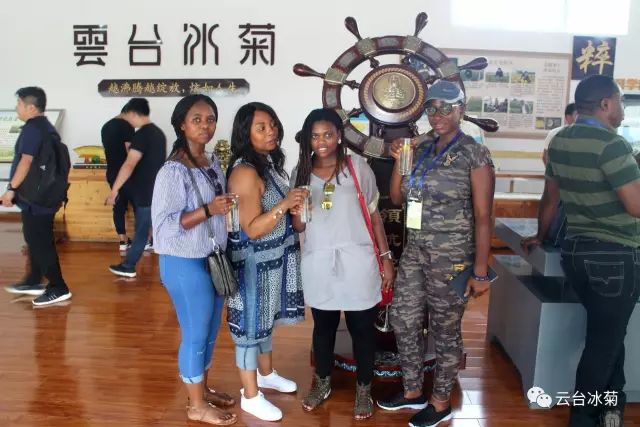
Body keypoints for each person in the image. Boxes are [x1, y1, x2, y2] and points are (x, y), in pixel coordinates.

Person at [376, 80, 495, 427]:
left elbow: (484, 216)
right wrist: (400, 161)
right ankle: (412, 390)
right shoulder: (422, 146)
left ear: (461, 109)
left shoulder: (474, 153)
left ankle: (440, 401)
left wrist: (481, 271)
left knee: (445, 329)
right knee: (403, 319)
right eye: (432, 108)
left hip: (452, 256)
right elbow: (397, 197)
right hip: (416, 251)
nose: (438, 114)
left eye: (446, 107)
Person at [523, 75, 635, 427]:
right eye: (620, 102)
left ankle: (612, 405)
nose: (622, 109)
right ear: (606, 103)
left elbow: (550, 197)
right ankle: (583, 419)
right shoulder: (612, 145)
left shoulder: (561, 140)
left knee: (608, 334)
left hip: (576, 254)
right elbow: (635, 206)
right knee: (603, 344)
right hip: (615, 256)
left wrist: (540, 235)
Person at [291, 108, 395, 419]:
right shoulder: (301, 171)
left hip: (358, 260)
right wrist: (297, 208)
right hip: (319, 260)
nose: (321, 141)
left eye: (328, 134)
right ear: (307, 139)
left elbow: (374, 216)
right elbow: (298, 226)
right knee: (323, 327)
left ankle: (364, 388)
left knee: (361, 328)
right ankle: (322, 383)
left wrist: (386, 259)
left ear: (339, 136)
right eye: (314, 136)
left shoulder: (357, 167)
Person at [152, 94, 237, 425]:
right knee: (195, 333)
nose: (205, 125)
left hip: (211, 258)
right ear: (181, 125)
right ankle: (196, 406)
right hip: (183, 262)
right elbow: (163, 227)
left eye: (210, 119)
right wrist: (208, 210)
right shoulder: (172, 171)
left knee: (211, 330)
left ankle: (201, 389)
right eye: (197, 119)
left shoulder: (211, 161)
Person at [226, 102, 307, 422]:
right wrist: (284, 205)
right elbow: (251, 228)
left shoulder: (267, 163)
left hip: (270, 263)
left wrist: (293, 209)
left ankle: (266, 374)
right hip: (252, 267)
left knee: (264, 322)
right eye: (261, 127)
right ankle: (250, 396)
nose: (271, 131)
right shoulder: (245, 172)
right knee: (249, 330)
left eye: (272, 124)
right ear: (245, 134)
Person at [2, 87, 72, 306]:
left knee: (40, 242)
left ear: (31, 107)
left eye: (19, 104)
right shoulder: (46, 127)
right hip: (44, 195)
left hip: (37, 199)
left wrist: (11, 188)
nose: (17, 108)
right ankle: (33, 279)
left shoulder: (33, 129)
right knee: (34, 238)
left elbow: (26, 161)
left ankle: (58, 287)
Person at [105, 98, 166, 278]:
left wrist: (114, 190)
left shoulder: (142, 135)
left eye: (127, 117)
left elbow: (129, 164)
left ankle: (129, 266)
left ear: (133, 113)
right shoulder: (158, 134)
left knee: (141, 230)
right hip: (155, 188)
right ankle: (129, 265)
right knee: (144, 228)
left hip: (144, 190)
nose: (127, 122)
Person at [101, 104, 135, 251]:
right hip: (127, 173)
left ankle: (123, 240)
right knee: (139, 205)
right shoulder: (127, 126)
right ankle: (146, 240)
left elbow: (106, 150)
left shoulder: (106, 126)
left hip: (112, 172)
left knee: (119, 206)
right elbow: (130, 151)